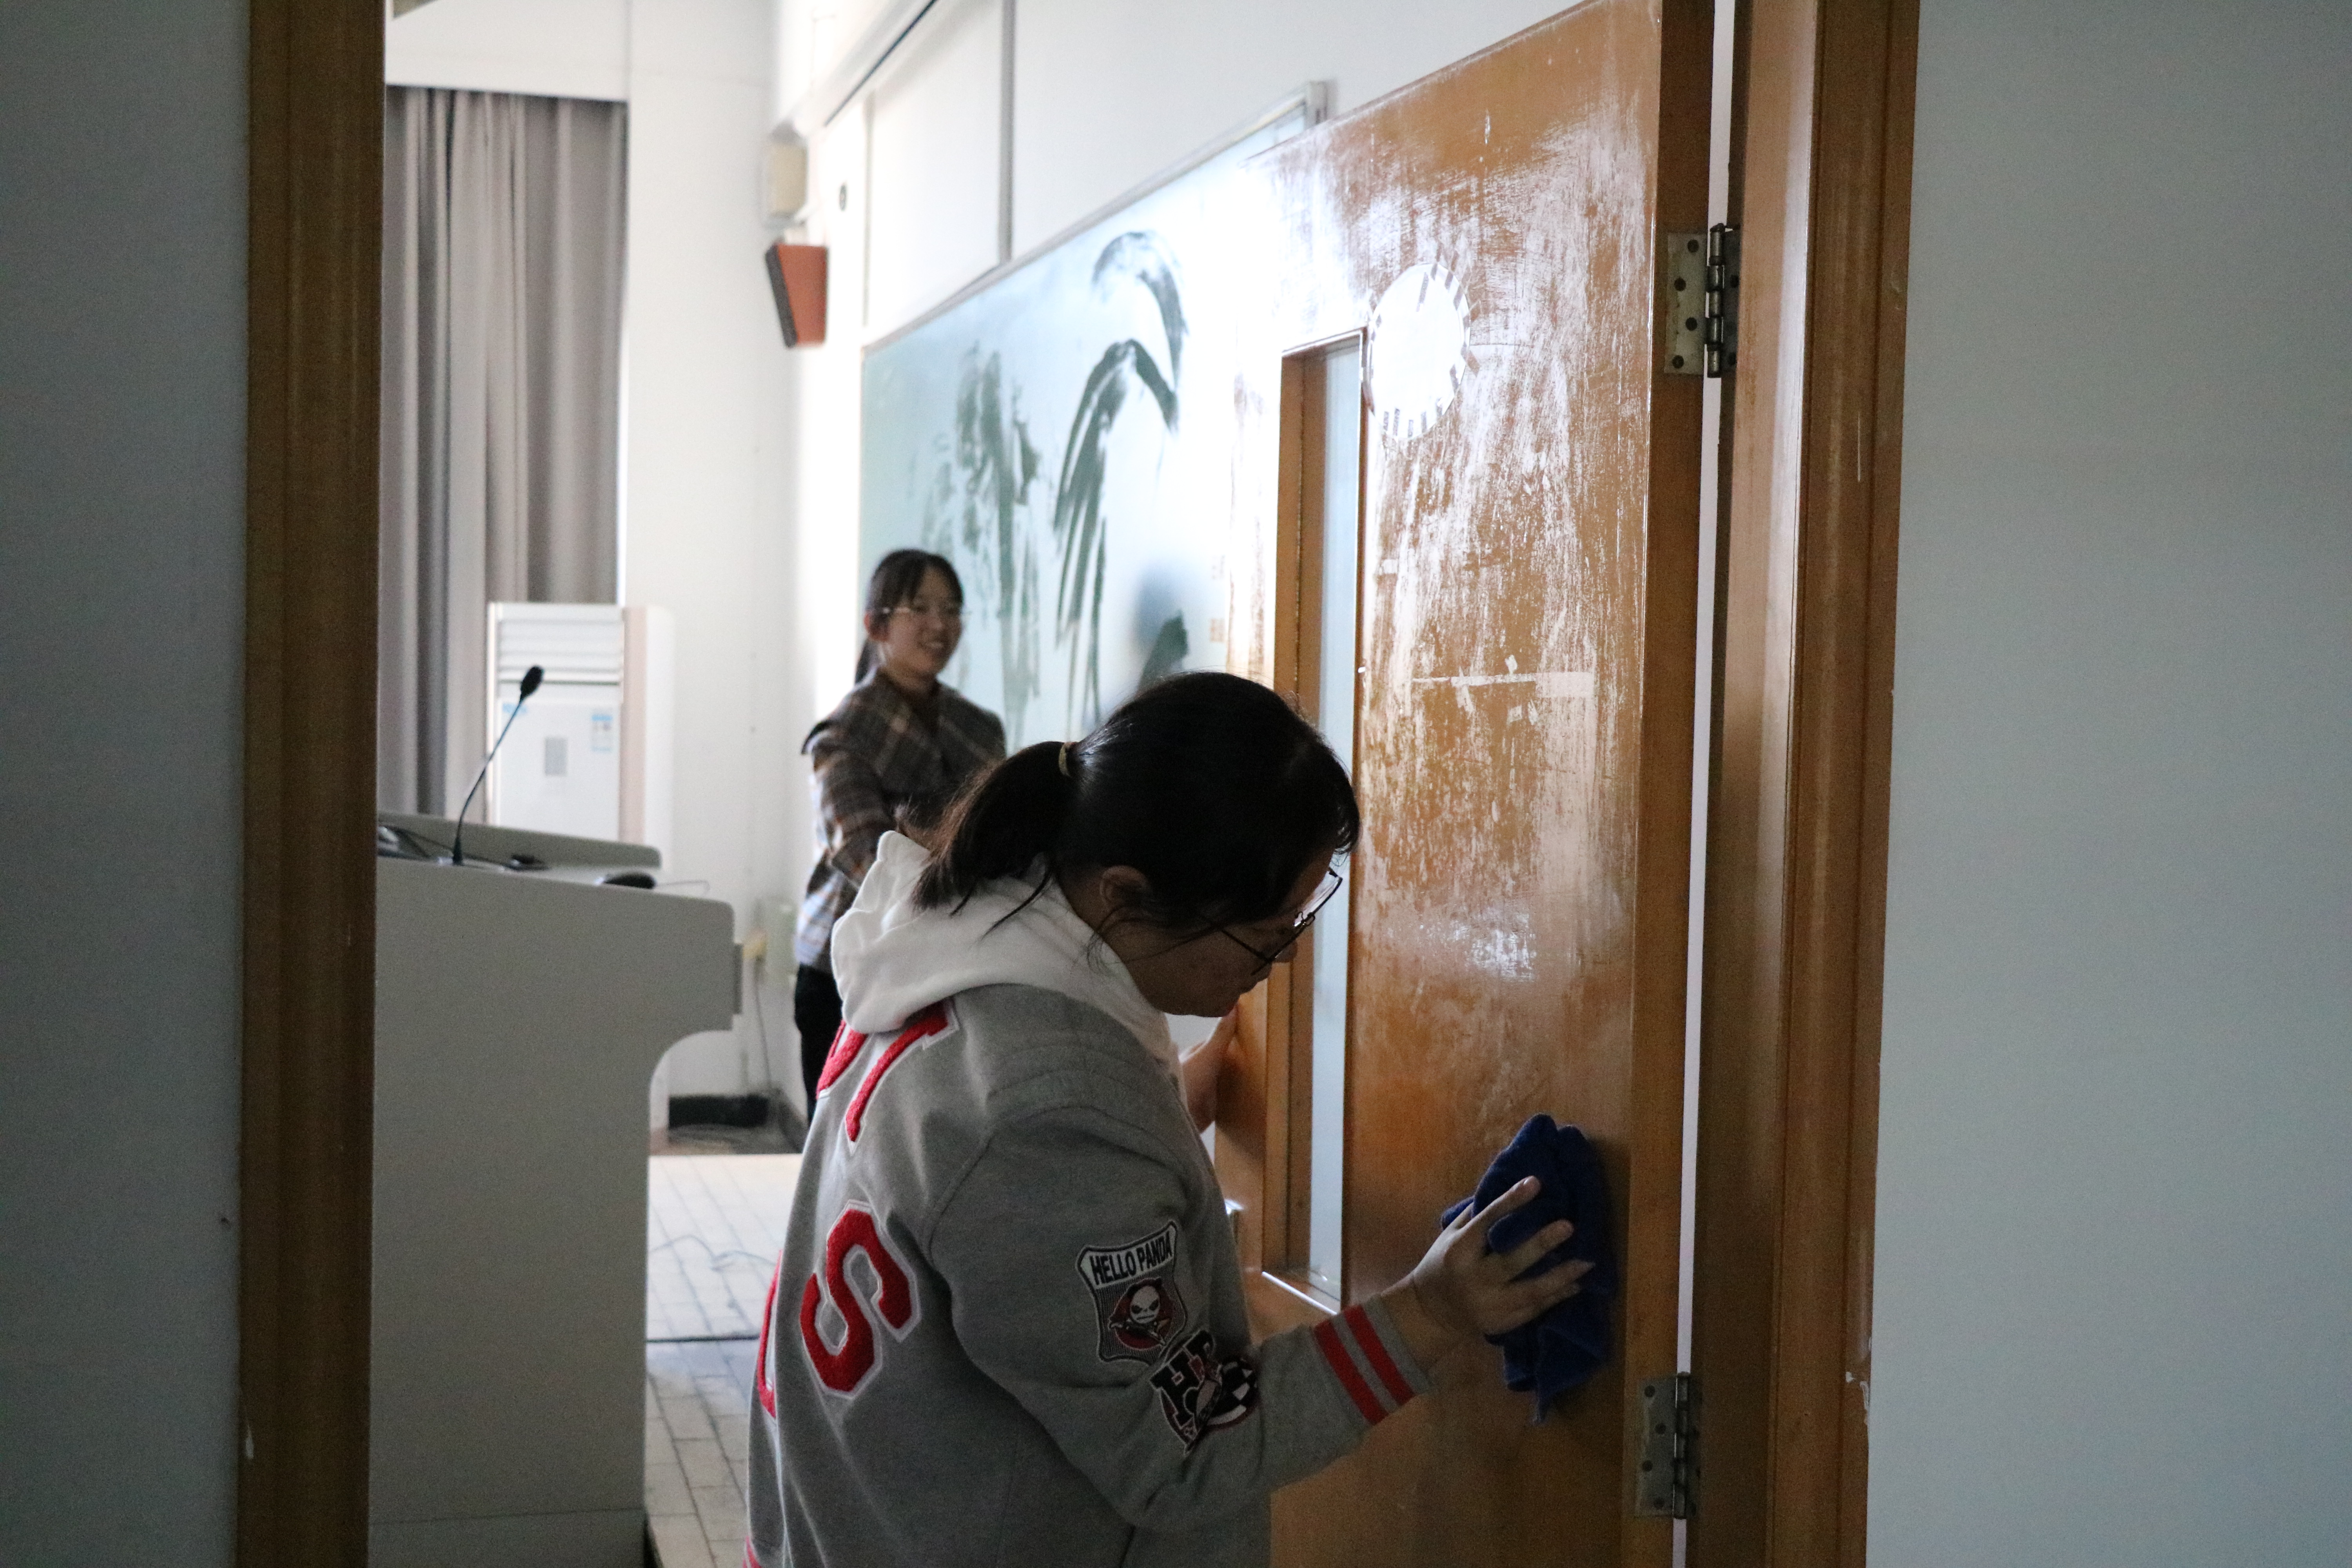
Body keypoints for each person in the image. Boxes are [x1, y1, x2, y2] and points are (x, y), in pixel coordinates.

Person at [748, 671, 1591, 1568]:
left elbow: (984, 1193)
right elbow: (1187, 1452)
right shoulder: (1051, 1110)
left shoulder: (948, 941)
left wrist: (1150, 1115)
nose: (1275, 964)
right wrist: (1428, 1309)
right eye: (1264, 935)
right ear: (1125, 892)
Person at [794, 549, 1005, 1114]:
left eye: (952, 609)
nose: (940, 625)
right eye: (921, 608)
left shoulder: (980, 729)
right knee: (841, 1135)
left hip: (950, 964)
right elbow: (863, 856)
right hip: (850, 962)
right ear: (876, 625)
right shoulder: (842, 735)